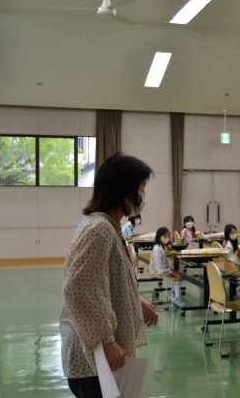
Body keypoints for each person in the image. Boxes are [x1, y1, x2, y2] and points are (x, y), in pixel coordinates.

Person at [60, 153, 159, 397]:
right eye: (141, 188)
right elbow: (78, 289)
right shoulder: (99, 230)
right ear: (124, 190)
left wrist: (136, 299)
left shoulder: (107, 226)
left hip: (100, 357)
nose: (143, 196)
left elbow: (101, 281)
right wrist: (105, 340)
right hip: (94, 360)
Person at [149, 227, 185, 305]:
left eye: (168, 236)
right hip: (157, 271)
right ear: (159, 237)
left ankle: (173, 293)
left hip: (161, 268)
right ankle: (177, 298)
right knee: (178, 275)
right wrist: (168, 270)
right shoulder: (157, 249)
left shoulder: (160, 247)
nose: (167, 238)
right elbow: (159, 267)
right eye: (164, 236)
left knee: (178, 273)